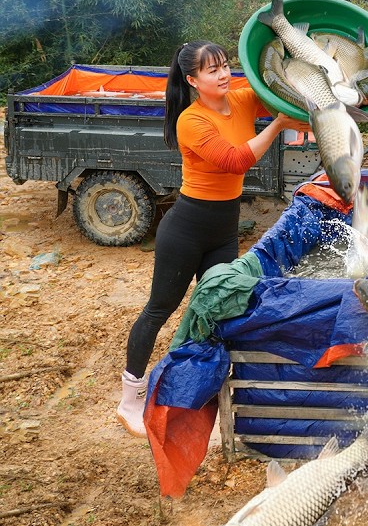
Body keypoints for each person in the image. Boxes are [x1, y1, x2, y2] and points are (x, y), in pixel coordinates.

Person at [115, 41, 307, 438]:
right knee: (160, 308)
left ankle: (201, 396)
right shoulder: (192, 119)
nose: (223, 74)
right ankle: (129, 398)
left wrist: (309, 106)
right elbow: (235, 159)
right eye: (212, 70)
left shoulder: (242, 98)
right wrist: (278, 125)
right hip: (186, 229)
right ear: (192, 80)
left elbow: (284, 97)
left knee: (219, 309)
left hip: (224, 228)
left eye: (224, 65)